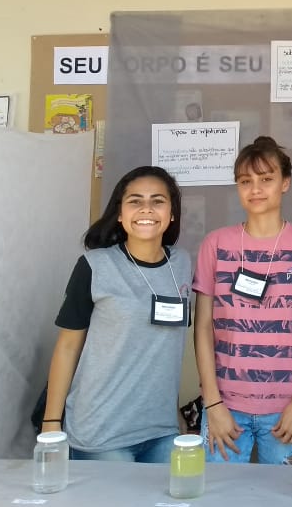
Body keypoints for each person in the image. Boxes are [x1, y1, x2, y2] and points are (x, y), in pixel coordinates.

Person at [194, 136, 292, 464]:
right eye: (245, 181)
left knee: (284, 495)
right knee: (218, 493)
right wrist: (212, 404)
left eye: (266, 179)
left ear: (285, 183)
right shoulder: (216, 244)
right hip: (225, 407)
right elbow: (202, 327)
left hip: (287, 409)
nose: (255, 189)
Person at [43, 166, 191, 462]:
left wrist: (175, 414)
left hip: (161, 429)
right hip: (101, 432)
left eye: (158, 201)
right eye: (135, 201)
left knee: (174, 494)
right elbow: (68, 347)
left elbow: (163, 350)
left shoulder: (182, 264)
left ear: (172, 213)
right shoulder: (95, 265)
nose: (146, 209)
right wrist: (51, 424)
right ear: (120, 214)